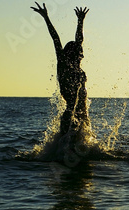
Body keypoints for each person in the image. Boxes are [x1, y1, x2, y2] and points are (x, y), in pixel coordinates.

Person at [31, 2, 90, 139]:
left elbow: (79, 40)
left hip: (82, 113)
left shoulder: (76, 66)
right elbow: (55, 39)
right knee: (67, 144)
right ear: (73, 54)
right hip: (69, 115)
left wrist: (80, 21)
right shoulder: (64, 64)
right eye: (79, 52)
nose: (82, 55)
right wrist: (46, 18)